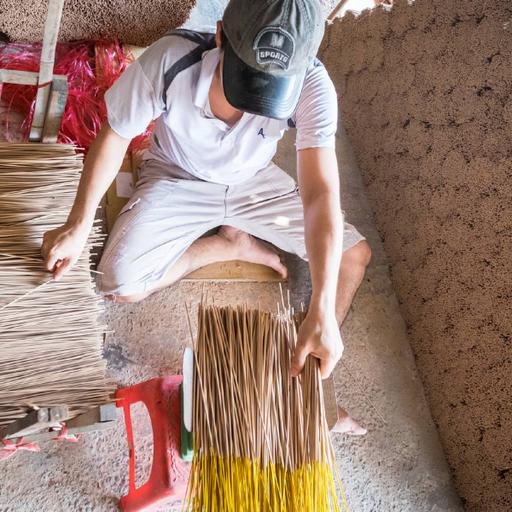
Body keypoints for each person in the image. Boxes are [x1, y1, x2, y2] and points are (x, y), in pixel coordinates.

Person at [41, 0, 371, 418]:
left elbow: (320, 192)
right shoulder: (171, 58)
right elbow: (116, 135)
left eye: (271, 87)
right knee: (120, 283)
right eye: (246, 80)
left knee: (352, 257)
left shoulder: (313, 84)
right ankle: (227, 245)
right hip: (177, 173)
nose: (251, 106)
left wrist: (322, 307)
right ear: (219, 36)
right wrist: (79, 223)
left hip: (252, 181)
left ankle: (304, 373)